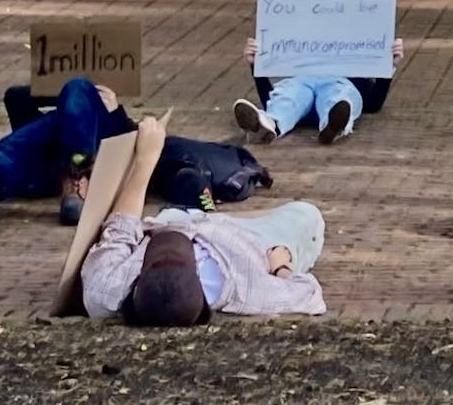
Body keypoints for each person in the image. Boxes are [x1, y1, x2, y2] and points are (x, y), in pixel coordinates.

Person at [81, 116, 326, 326]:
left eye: (158, 255)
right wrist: (280, 267)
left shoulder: (105, 292)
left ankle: (197, 194)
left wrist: (146, 159)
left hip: (170, 221)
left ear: (137, 282)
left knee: (176, 207)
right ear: (198, 275)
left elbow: (122, 226)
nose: (172, 246)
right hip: (253, 245)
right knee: (306, 215)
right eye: (179, 254)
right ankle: (207, 197)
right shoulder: (252, 291)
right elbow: (310, 295)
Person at [0, 80, 274, 230]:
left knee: (78, 88)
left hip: (107, 153)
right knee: (61, 109)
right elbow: (18, 98)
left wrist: (115, 111)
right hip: (54, 167)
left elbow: (148, 149)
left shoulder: (175, 153)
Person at [232, 37, 404, 145]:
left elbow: (373, 104)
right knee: (289, 95)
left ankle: (333, 126)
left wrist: (388, 67)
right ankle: (267, 125)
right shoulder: (296, 64)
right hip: (303, 84)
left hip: (338, 86)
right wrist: (257, 64)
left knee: (339, 95)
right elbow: (273, 98)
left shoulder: (357, 73)